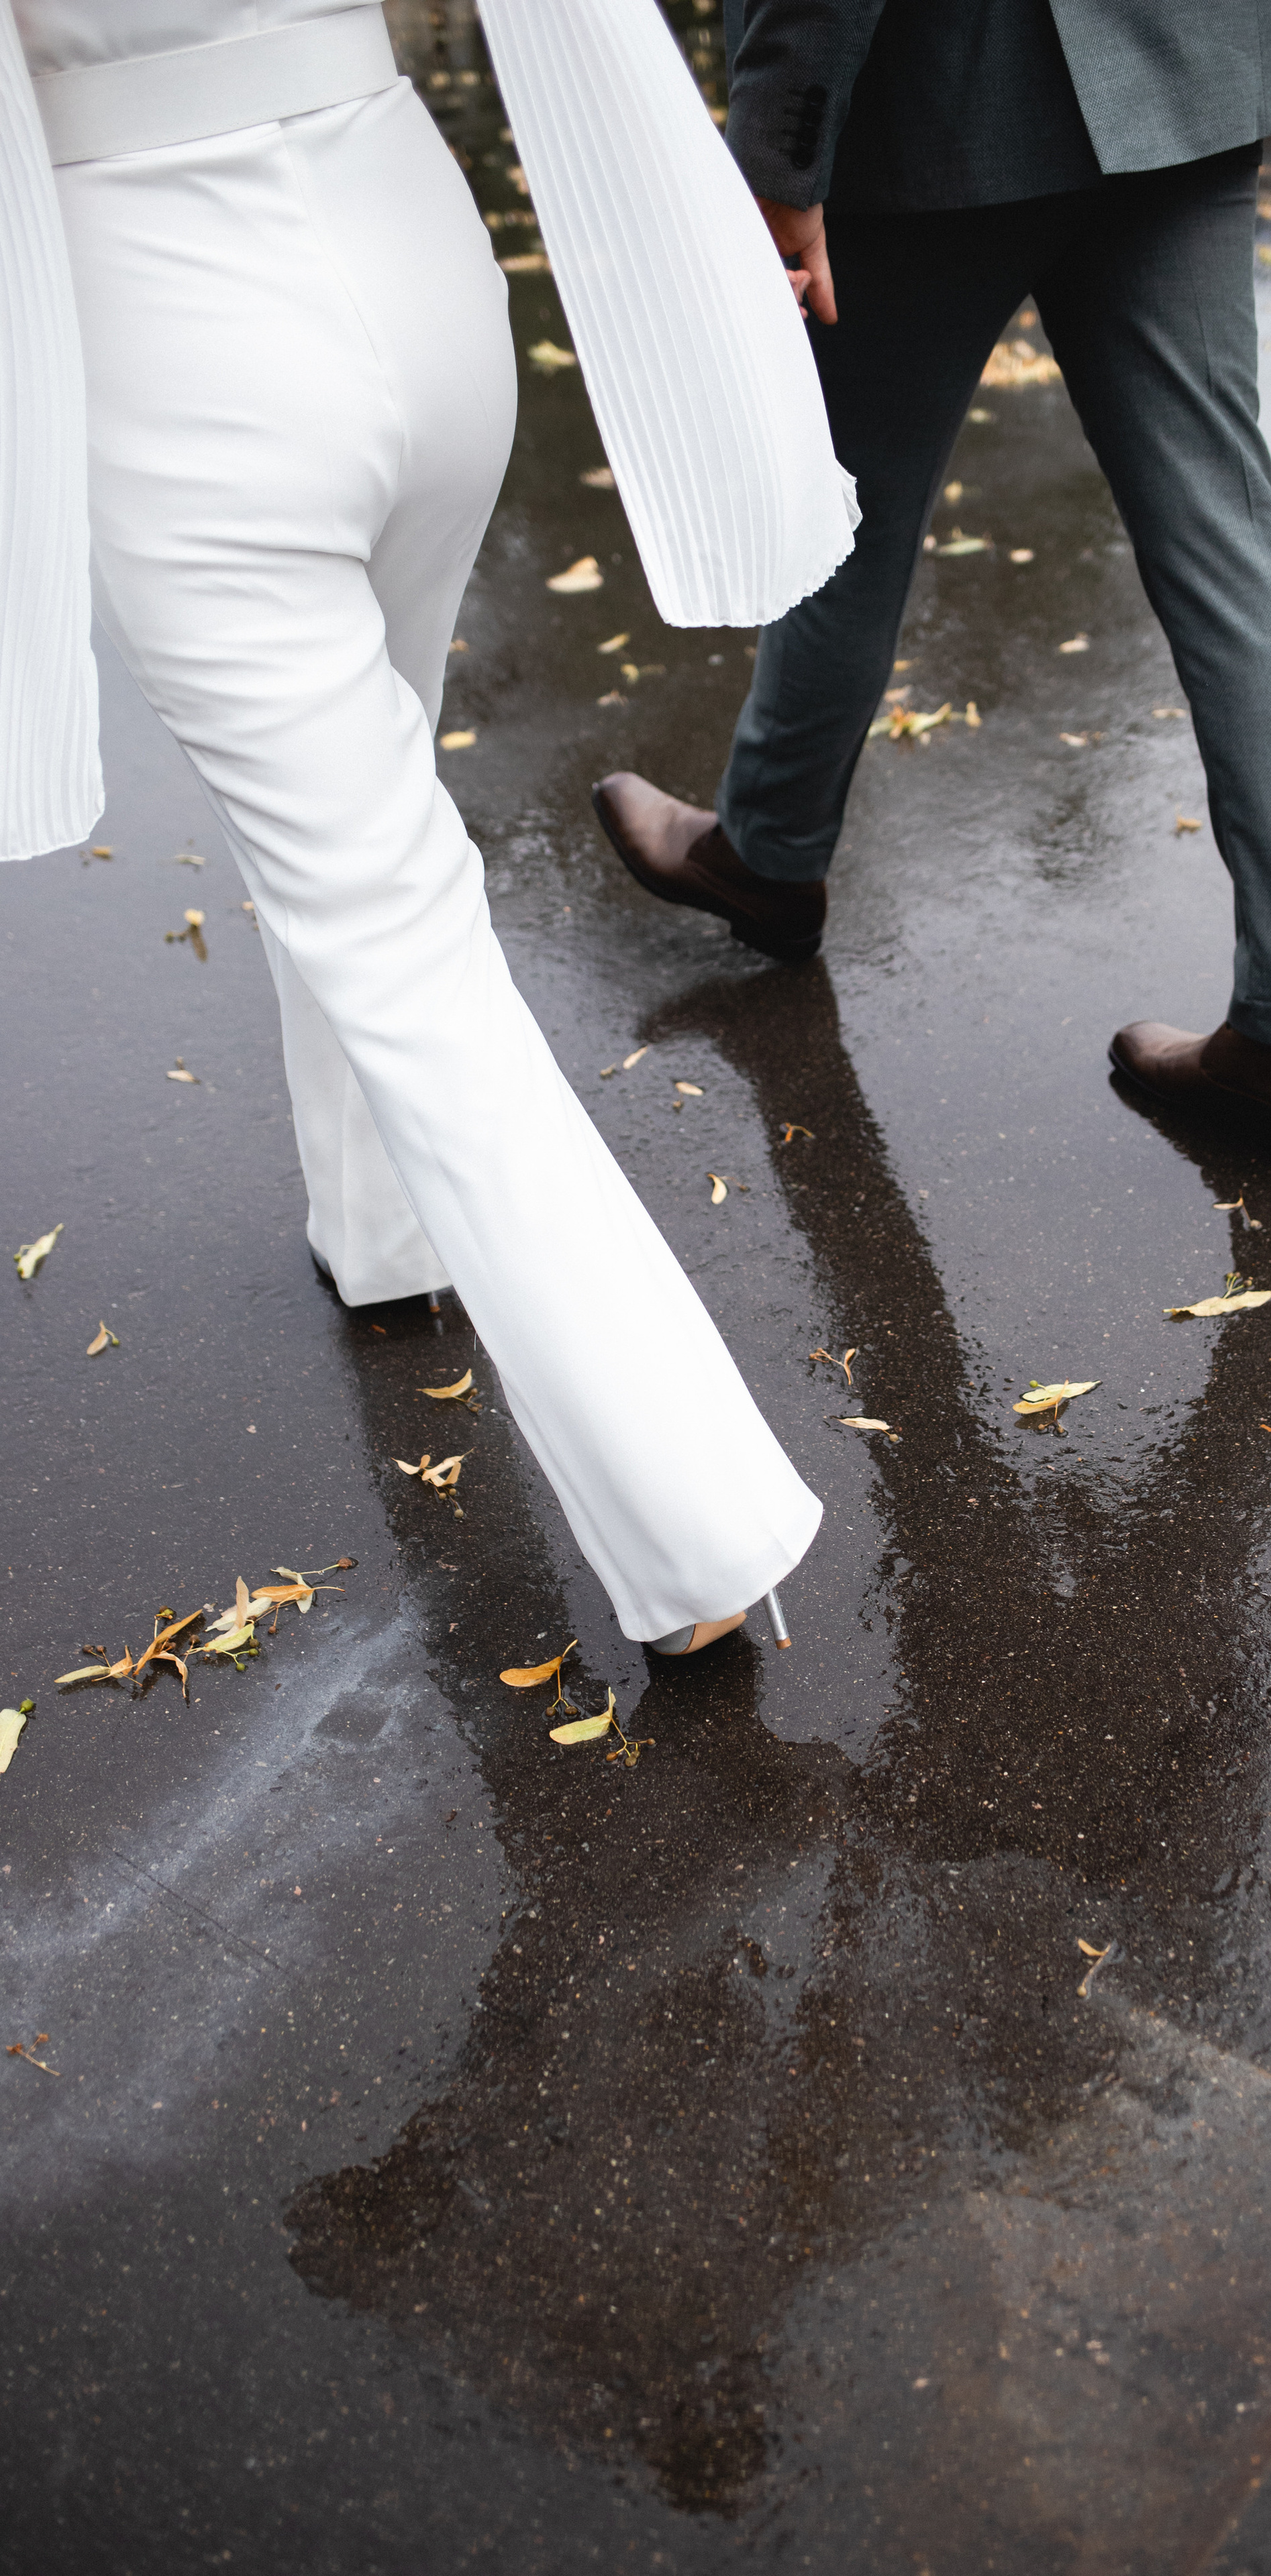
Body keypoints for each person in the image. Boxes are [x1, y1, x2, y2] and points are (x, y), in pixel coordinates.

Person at [1, 0, 862, 1654]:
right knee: (363, 826)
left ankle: (689, 1526)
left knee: (385, 916)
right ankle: (377, 1227)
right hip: (410, 248)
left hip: (167, 320)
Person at [591, 0, 1271, 1171]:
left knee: (851, 497)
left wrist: (781, 151)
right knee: (1228, 531)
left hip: (941, 93)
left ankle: (768, 850)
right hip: (1181, 62)